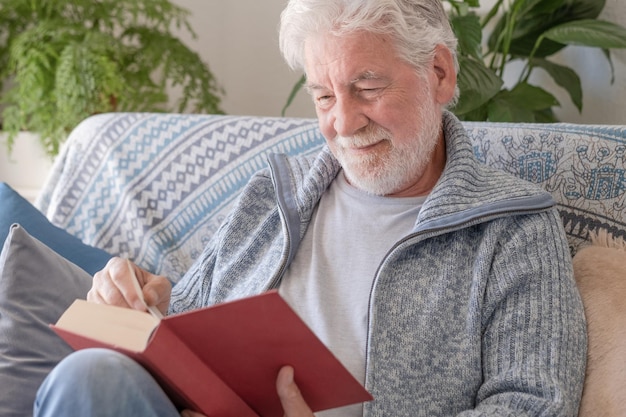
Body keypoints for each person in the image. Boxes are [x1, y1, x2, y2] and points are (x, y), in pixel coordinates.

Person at [34, 0, 587, 416]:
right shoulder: (272, 195)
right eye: (324, 96)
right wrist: (137, 306)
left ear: (439, 73)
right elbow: (184, 333)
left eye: (367, 87)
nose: (343, 123)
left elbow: (535, 404)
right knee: (93, 374)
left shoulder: (515, 228)